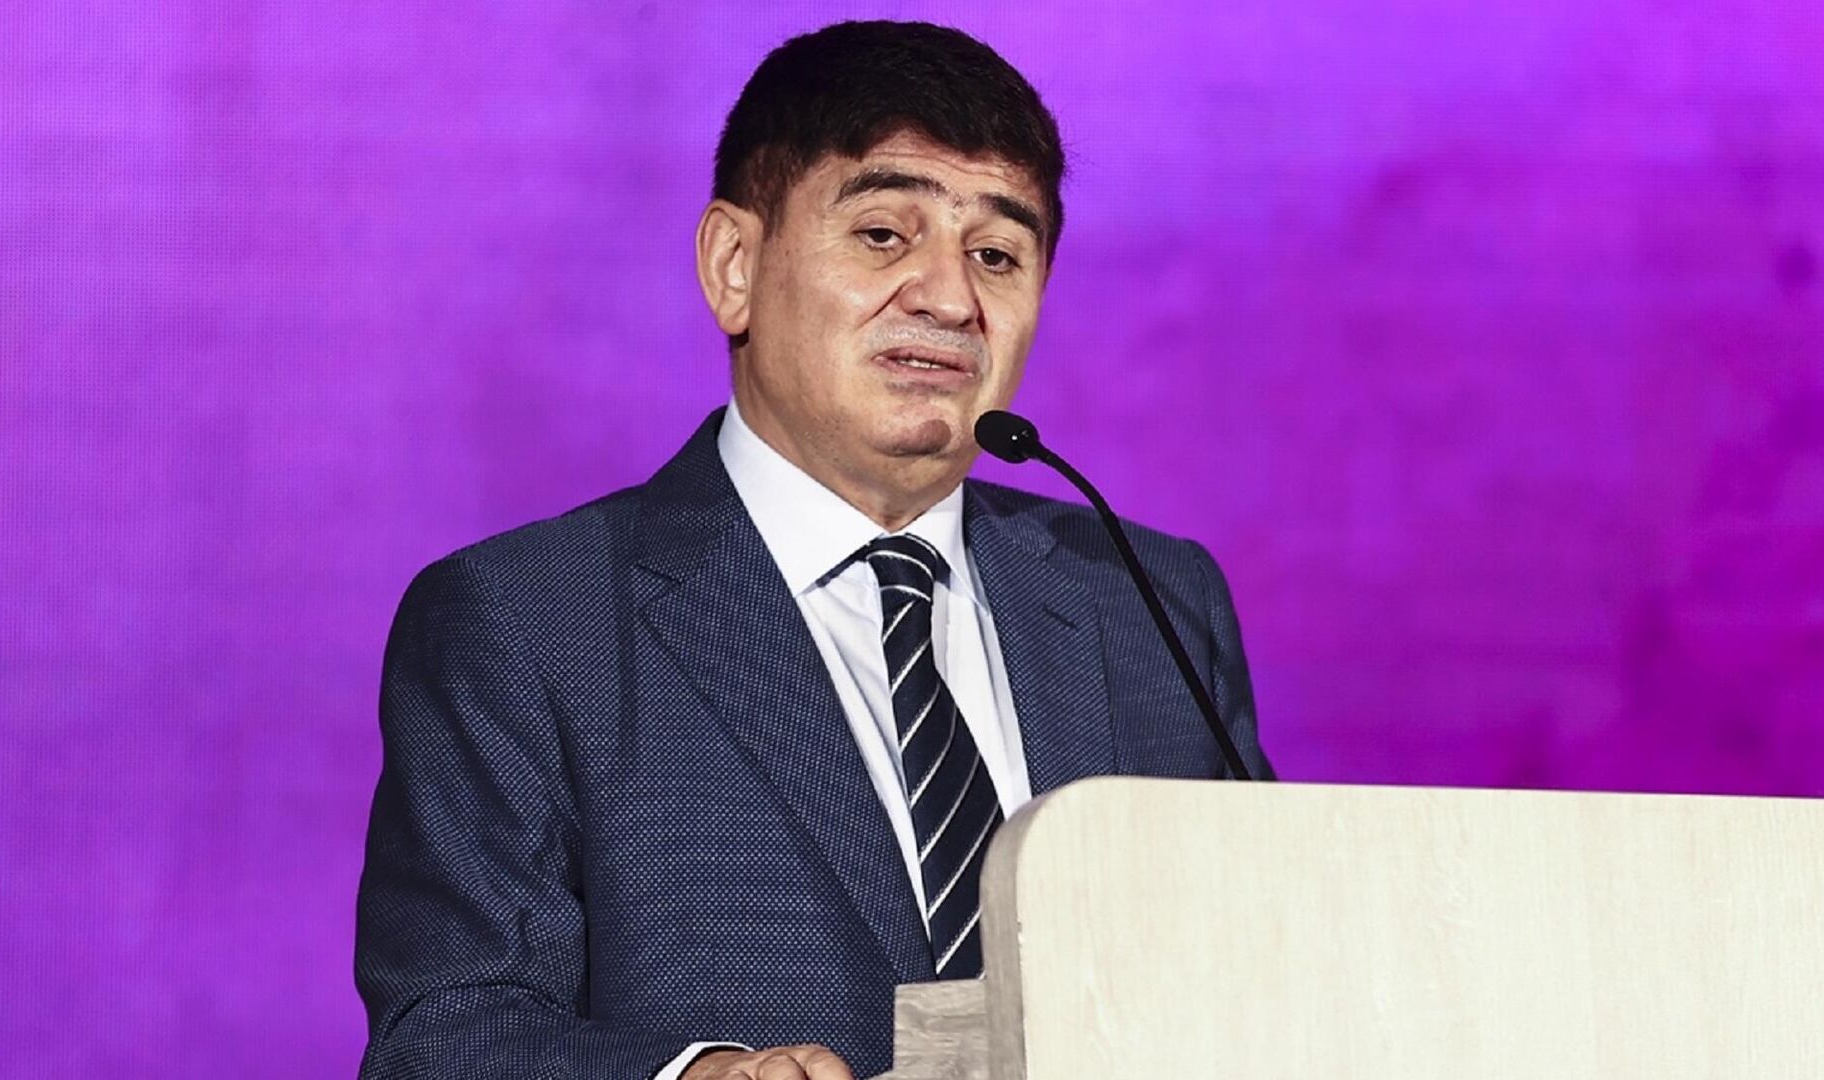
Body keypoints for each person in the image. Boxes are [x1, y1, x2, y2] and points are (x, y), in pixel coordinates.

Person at [354, 19, 1273, 1080]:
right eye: (884, 234)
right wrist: (694, 1076)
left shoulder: (1149, 601)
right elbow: (448, 1035)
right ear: (734, 266)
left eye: (996, 255)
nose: (949, 298)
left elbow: (1270, 967)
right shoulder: (524, 623)